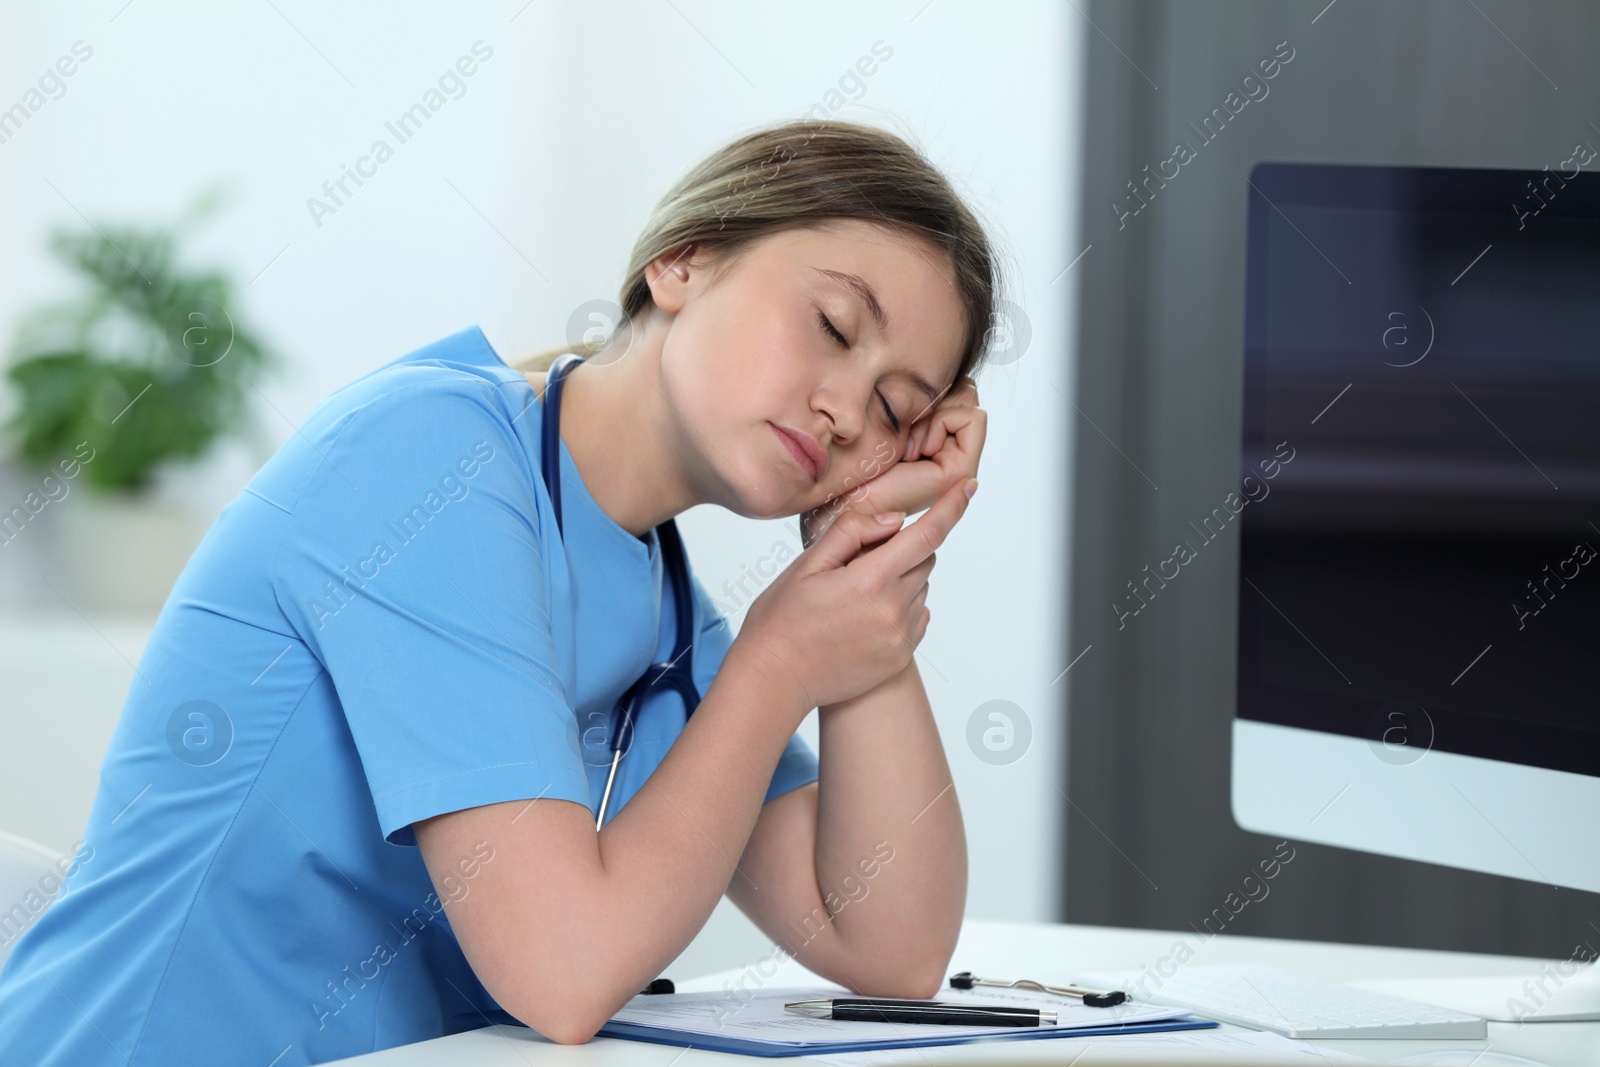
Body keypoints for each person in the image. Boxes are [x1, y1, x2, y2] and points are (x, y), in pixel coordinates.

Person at [0, 118, 1000, 1064]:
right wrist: (783, 661)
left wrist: (866, 564)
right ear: (683, 259)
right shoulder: (429, 461)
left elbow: (891, 944)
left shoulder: (666, 620)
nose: (841, 409)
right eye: (830, 325)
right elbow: (564, 971)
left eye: (892, 409)